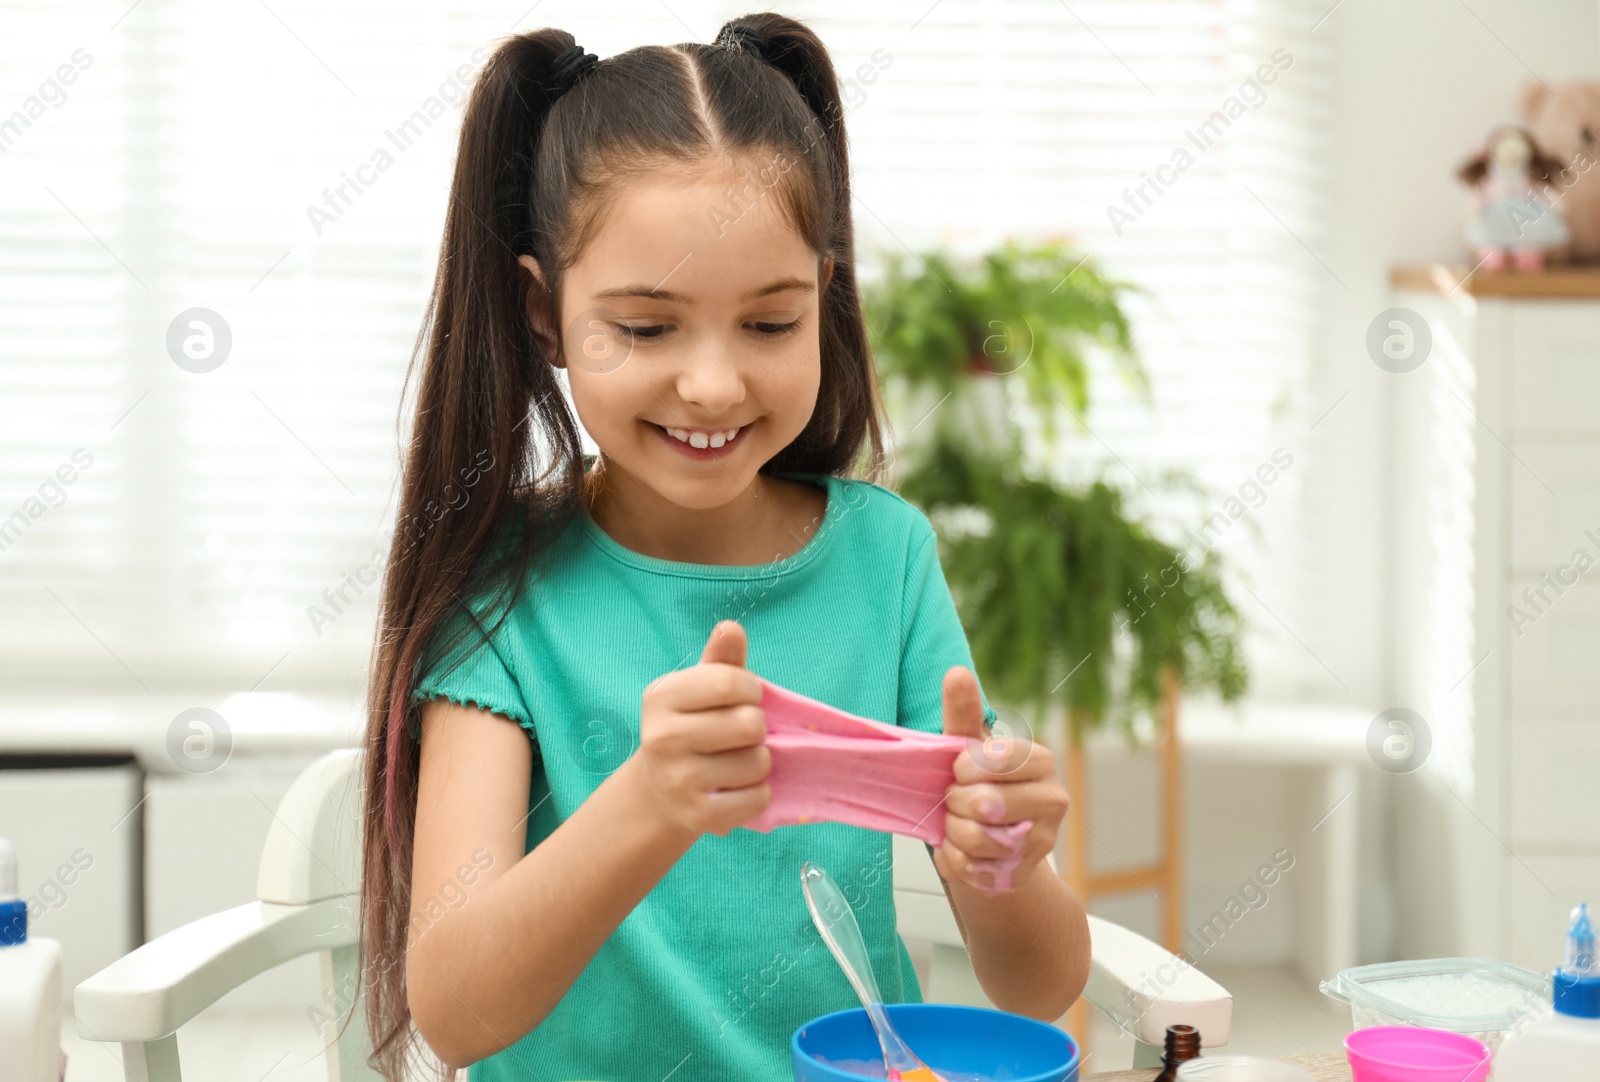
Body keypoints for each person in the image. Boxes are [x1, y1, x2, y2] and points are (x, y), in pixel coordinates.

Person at [357, 13, 1091, 1080]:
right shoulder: (503, 582)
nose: (713, 383)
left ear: (824, 299)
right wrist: (651, 799)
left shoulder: (882, 557)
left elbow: (1037, 983)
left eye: (769, 322)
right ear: (543, 313)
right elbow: (457, 1009)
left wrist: (1006, 861)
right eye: (647, 329)